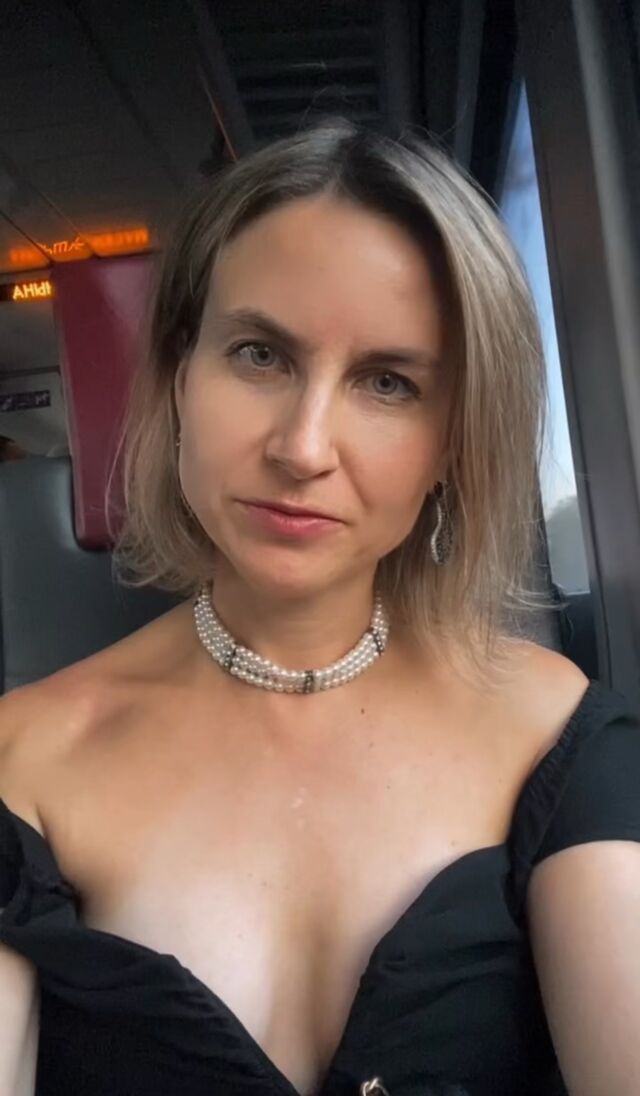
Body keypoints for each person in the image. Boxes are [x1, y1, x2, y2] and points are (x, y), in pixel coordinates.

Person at [1, 118, 639, 1096]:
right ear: (178, 374)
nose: (302, 448)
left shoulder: (558, 736)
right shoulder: (24, 759)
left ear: (453, 441)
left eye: (388, 382)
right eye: (260, 354)